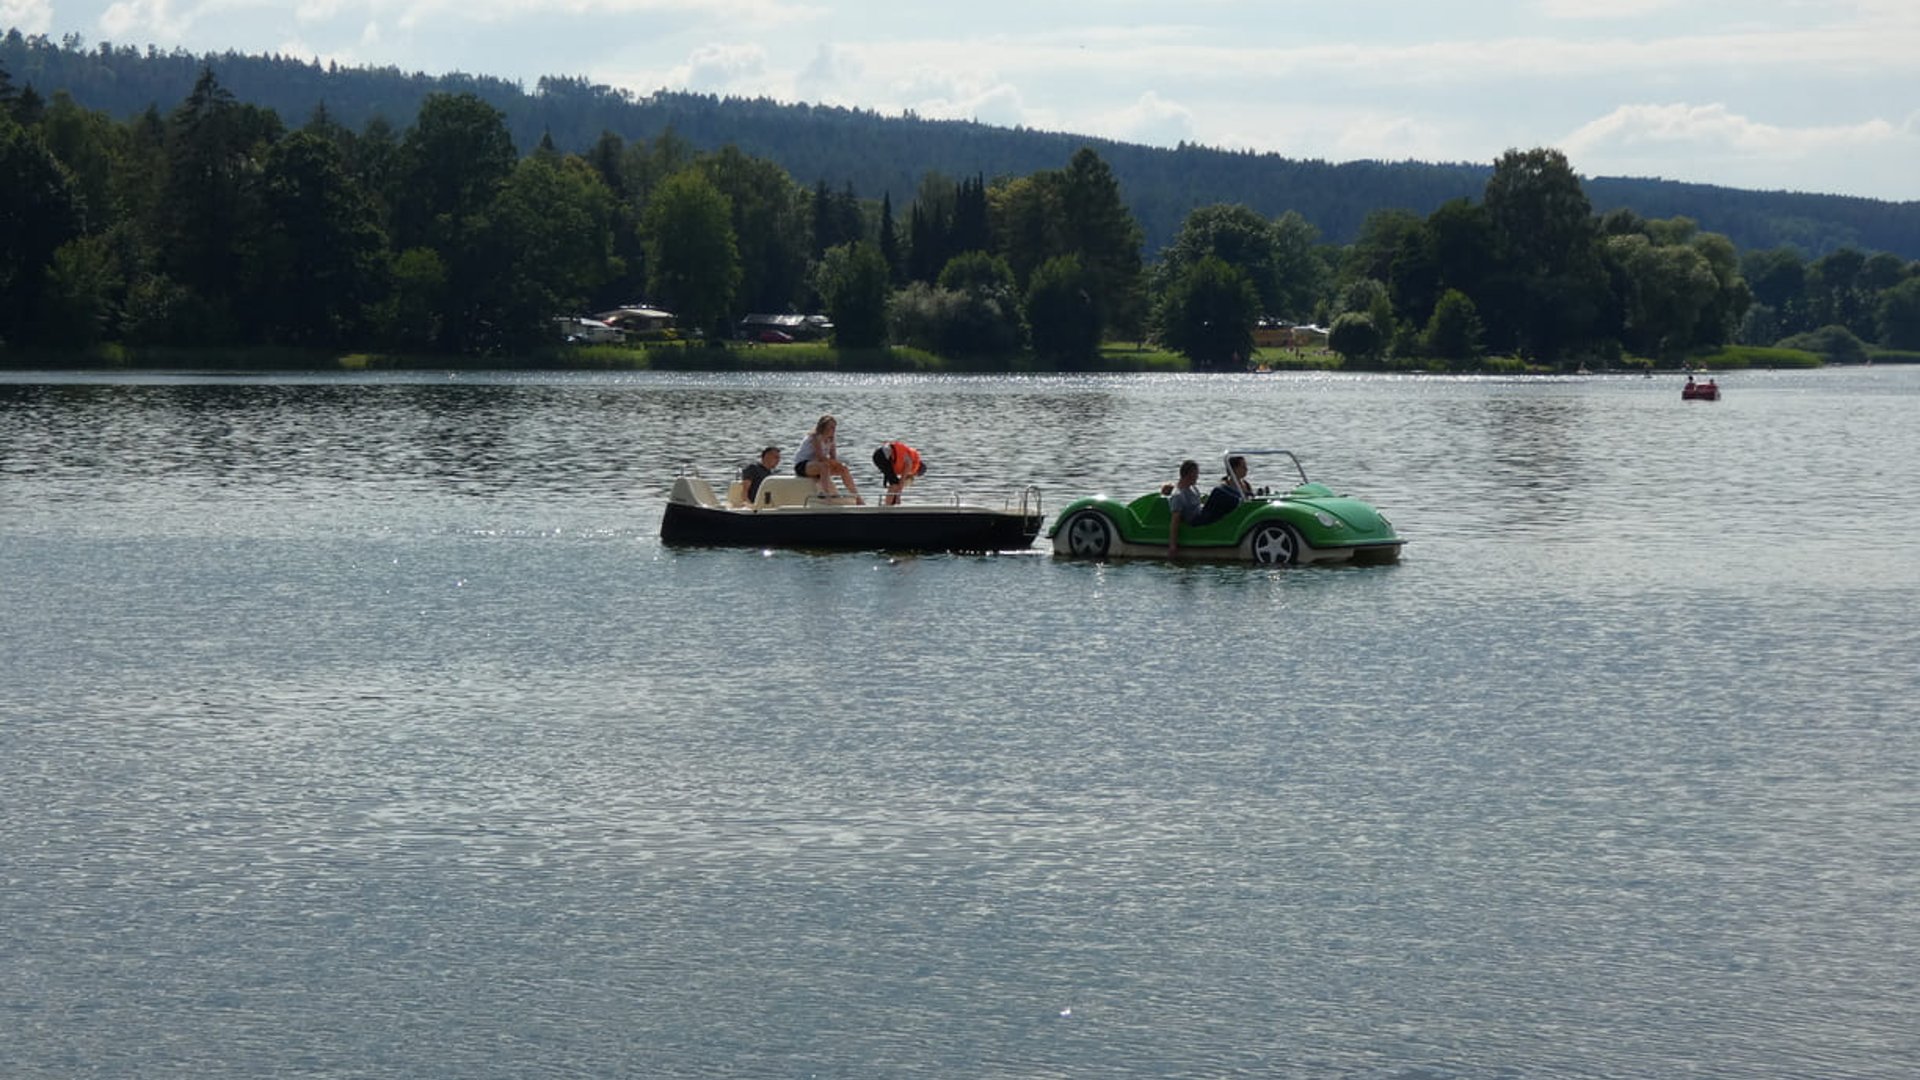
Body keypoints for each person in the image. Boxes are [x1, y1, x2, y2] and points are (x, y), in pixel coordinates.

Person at [793, 414, 863, 503]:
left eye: (834, 428)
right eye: (831, 427)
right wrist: (833, 463)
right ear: (823, 427)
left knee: (844, 468)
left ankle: (857, 497)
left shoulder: (831, 439)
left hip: (818, 465)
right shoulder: (815, 437)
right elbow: (820, 457)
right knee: (824, 466)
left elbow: (833, 458)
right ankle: (826, 495)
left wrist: (839, 466)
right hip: (803, 465)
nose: (833, 430)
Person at [1165, 459, 1203, 555]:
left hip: (1202, 514)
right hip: (1195, 521)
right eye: (1196, 474)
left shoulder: (1193, 488)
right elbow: (1175, 521)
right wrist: (1173, 545)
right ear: (1190, 474)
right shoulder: (1178, 496)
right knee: (1219, 492)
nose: (1198, 477)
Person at [871, 441, 927, 505]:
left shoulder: (910, 458)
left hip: (881, 454)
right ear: (916, 470)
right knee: (894, 484)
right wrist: (898, 497)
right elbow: (902, 481)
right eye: (915, 474)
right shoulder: (910, 464)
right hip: (883, 456)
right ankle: (887, 507)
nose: (912, 474)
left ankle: (889, 504)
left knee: (894, 483)